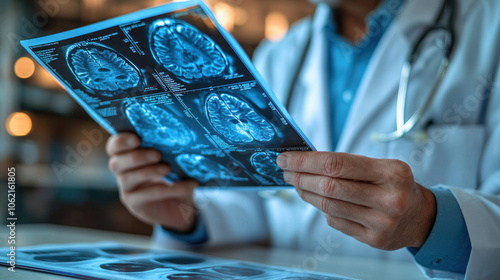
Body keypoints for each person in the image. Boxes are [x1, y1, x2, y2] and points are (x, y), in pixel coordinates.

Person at [106, 0, 500, 278]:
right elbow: (262, 202)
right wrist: (188, 216)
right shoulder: (282, 54)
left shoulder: (490, 28)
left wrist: (429, 221)